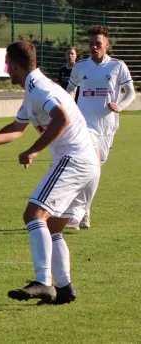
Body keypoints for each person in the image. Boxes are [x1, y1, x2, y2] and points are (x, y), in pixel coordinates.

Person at [0, 41, 101, 304]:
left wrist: (33, 150)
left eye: (7, 64)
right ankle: (64, 288)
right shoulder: (34, 90)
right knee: (53, 227)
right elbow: (18, 128)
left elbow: (62, 118)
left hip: (74, 159)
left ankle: (44, 282)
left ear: (15, 66)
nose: (6, 69)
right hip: (87, 164)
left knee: (34, 214)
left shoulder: (39, 88)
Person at [66, 25, 136, 229]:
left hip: (108, 126)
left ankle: (83, 210)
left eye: (97, 43)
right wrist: (70, 109)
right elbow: (70, 89)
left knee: (96, 169)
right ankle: (79, 213)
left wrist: (119, 105)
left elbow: (130, 92)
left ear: (107, 45)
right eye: (90, 43)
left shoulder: (117, 66)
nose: (93, 47)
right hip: (85, 125)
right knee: (91, 165)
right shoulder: (80, 67)